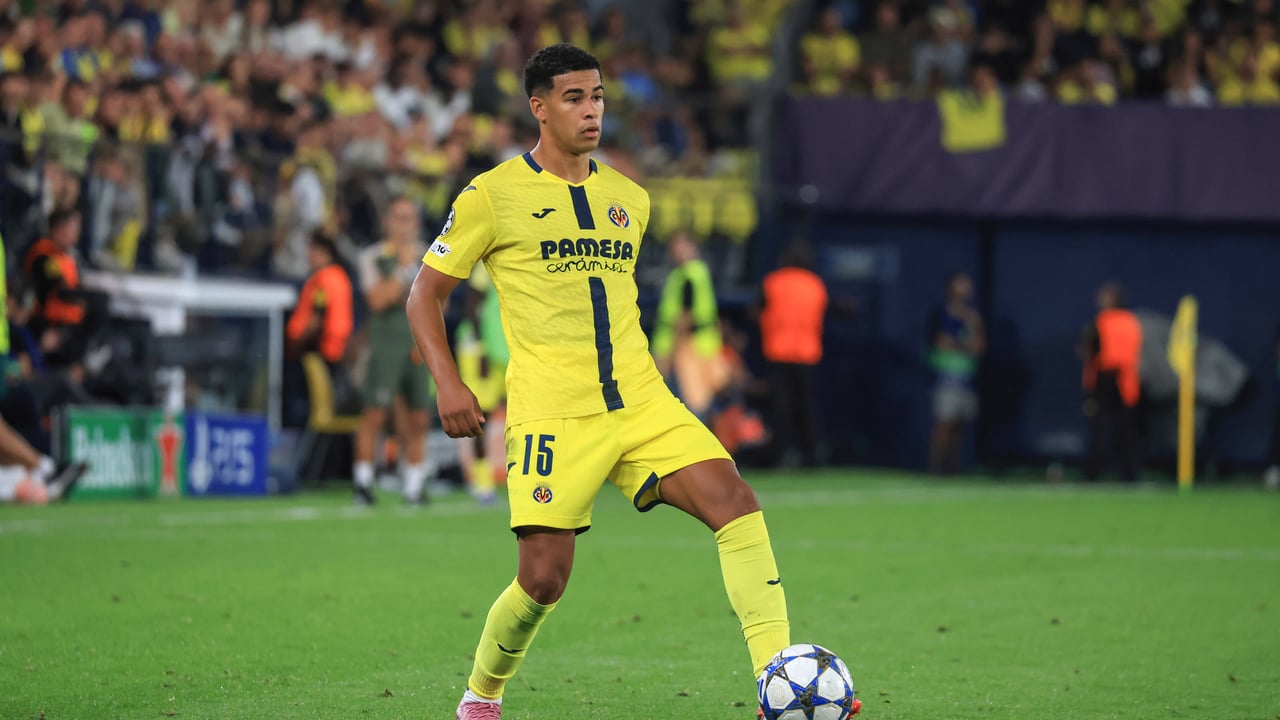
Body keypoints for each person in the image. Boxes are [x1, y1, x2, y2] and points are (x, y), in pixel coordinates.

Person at [406, 44, 856, 720]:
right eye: (573, 98)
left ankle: (778, 684)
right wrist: (448, 382)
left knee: (735, 503)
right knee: (543, 580)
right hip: (554, 413)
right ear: (539, 107)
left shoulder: (630, 198)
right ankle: (481, 696)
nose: (591, 111)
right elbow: (424, 295)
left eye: (598, 97)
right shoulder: (491, 195)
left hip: (642, 401)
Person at [354, 196, 434, 505]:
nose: (404, 226)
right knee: (374, 413)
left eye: (409, 218)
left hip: (418, 345)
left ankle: (413, 486)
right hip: (385, 345)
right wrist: (404, 268)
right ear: (387, 222)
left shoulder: (430, 254)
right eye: (398, 218)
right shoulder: (373, 256)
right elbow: (377, 299)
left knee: (418, 417)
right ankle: (362, 483)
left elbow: (440, 300)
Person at [758, 242, 828, 467]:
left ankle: (779, 455)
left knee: (780, 408)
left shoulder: (773, 282)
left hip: (778, 351)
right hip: (807, 353)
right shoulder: (815, 284)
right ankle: (811, 456)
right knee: (806, 407)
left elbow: (758, 309)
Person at [650, 230, 726, 420]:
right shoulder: (697, 273)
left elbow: (685, 317)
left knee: (688, 406)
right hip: (699, 346)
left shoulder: (687, 276)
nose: (675, 251)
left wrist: (670, 354)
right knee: (700, 404)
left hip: (684, 350)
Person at [284, 231, 356, 427]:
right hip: (335, 351)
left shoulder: (324, 278)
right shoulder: (340, 276)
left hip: (317, 351)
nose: (308, 255)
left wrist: (296, 343)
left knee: (310, 409)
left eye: (311, 249)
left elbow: (317, 317)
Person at [453, 262, 508, 504]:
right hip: (482, 350)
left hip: (505, 350)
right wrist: (482, 347)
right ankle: (482, 483)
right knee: (480, 416)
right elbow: (471, 304)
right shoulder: (486, 266)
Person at [1081, 281, 1143, 482]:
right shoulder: (1132, 321)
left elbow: (1091, 350)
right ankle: (1130, 473)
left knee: (1098, 428)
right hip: (1127, 380)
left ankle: (1094, 473)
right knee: (1126, 430)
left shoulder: (1101, 321)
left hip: (1105, 378)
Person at [927, 271, 985, 475]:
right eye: (961, 284)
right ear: (951, 288)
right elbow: (940, 342)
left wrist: (963, 341)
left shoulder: (973, 317)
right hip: (946, 378)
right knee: (944, 424)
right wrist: (963, 345)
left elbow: (978, 346)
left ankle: (953, 469)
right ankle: (934, 468)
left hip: (966, 379)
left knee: (959, 427)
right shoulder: (941, 314)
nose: (965, 289)